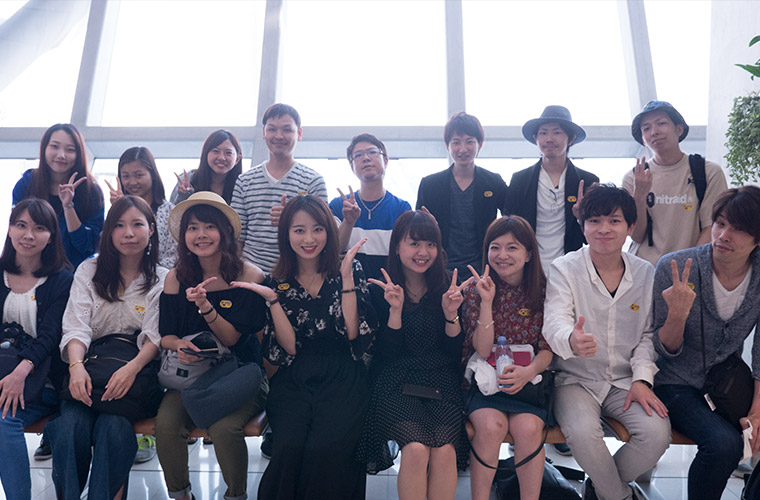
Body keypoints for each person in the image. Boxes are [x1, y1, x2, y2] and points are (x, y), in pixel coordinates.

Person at [232, 194, 377, 500]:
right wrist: (273, 301)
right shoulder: (277, 280)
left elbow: (354, 334)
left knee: (326, 447)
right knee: (289, 446)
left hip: (343, 374)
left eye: (317, 229)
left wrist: (346, 279)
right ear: (286, 234)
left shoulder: (349, 268)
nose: (309, 239)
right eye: (299, 230)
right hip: (295, 377)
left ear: (329, 231)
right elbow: (290, 350)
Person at [542, 184, 671, 500]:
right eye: (595, 221)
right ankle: (620, 496)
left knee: (657, 435)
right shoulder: (564, 268)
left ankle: (601, 489)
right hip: (575, 379)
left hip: (625, 381)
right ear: (583, 226)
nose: (604, 229)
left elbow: (648, 334)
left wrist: (642, 379)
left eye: (614, 221)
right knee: (583, 434)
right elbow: (554, 320)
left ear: (630, 227)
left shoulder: (645, 272)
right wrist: (570, 339)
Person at [47, 196, 167, 500]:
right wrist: (76, 367)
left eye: (137, 224)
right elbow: (76, 326)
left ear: (151, 229)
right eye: (119, 225)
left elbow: (154, 336)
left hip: (136, 373)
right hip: (89, 367)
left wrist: (131, 369)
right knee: (68, 427)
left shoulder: (163, 278)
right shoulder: (89, 270)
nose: (129, 233)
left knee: (113, 429)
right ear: (109, 231)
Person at [155, 192, 268, 500]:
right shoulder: (175, 278)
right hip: (192, 377)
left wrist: (205, 306)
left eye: (209, 226)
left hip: (241, 375)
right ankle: (181, 494)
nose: (201, 235)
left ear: (225, 231)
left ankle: (235, 495)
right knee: (166, 427)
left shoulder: (249, 276)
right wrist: (179, 345)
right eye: (192, 228)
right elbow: (165, 336)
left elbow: (232, 339)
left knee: (224, 429)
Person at [652, 186, 760, 500]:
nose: (724, 235)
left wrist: (757, 412)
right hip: (674, 382)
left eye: (738, 229)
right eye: (720, 224)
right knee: (723, 444)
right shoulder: (675, 268)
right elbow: (664, 350)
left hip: (727, 382)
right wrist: (677, 314)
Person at [357, 210, 470, 500]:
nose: (423, 252)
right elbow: (386, 355)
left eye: (431, 244)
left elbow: (453, 354)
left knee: (445, 450)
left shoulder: (447, 286)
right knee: (417, 449)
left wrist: (451, 315)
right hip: (394, 379)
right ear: (397, 246)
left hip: (440, 379)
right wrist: (395, 311)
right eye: (414, 243)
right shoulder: (381, 289)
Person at [462, 215, 553, 500]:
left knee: (528, 429)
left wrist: (528, 372)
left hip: (528, 383)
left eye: (512, 247)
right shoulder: (475, 289)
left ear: (528, 254)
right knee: (491, 427)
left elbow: (547, 348)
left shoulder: (545, 291)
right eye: (495, 247)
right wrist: (487, 302)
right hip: (486, 385)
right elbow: (483, 349)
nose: (502, 255)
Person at [0, 198, 73, 500]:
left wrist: (21, 371)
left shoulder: (62, 279)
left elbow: (50, 336)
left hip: (42, 382)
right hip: (3, 375)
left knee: (4, 422)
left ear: (51, 236)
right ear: (10, 229)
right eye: (21, 225)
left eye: (39, 228)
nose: (28, 235)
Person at [622, 100, 728, 266]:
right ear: (642, 139)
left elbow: (711, 227)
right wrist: (640, 196)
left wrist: (690, 267)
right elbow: (636, 236)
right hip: (643, 270)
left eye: (661, 123)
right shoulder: (634, 177)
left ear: (679, 129)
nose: (654, 132)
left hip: (690, 267)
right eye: (646, 128)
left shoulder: (707, 172)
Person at [231, 104, 327, 273]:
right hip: (250, 274)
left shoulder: (313, 181)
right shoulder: (244, 181)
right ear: (264, 133)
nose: (279, 136)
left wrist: (291, 218)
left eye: (287, 130)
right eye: (272, 129)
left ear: (299, 133)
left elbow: (322, 232)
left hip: (297, 274)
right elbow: (237, 237)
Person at [505, 105, 599, 271]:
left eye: (557, 132)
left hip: (571, 267)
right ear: (536, 138)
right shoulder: (520, 180)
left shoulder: (587, 181)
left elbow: (594, 237)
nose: (549, 139)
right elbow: (509, 227)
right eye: (543, 133)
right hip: (527, 267)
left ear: (571, 139)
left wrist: (581, 218)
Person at [416, 112, 508, 277]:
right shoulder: (430, 184)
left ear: (480, 144)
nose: (463, 149)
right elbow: (418, 230)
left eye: (469, 141)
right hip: (440, 268)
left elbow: (511, 220)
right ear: (447, 146)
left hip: (484, 268)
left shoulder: (493, 182)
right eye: (456, 142)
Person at [12, 123, 105, 269]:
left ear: (79, 154)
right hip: (30, 270)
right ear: (44, 148)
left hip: (73, 273)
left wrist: (68, 206)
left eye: (70, 150)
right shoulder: (27, 184)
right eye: (55, 146)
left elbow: (88, 246)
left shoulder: (90, 191)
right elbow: (17, 231)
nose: (61, 155)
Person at [330, 133, 411, 280]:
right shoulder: (338, 206)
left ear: (386, 160)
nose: (366, 158)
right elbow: (333, 251)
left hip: (389, 288)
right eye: (358, 155)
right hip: (347, 287)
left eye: (372, 152)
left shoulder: (402, 208)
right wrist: (348, 222)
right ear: (352, 166)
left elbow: (406, 256)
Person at [106, 146, 178, 270]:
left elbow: (175, 255)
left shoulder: (170, 212)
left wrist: (149, 274)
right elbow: (107, 246)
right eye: (126, 176)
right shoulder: (118, 209)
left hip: (162, 278)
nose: (132, 182)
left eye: (138, 175)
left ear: (152, 174)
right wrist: (117, 210)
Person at [170, 129, 244, 205]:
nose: (221, 158)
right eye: (216, 151)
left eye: (228, 153)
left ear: (237, 159)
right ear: (205, 154)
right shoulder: (189, 179)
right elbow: (173, 211)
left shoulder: (243, 185)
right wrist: (183, 195)